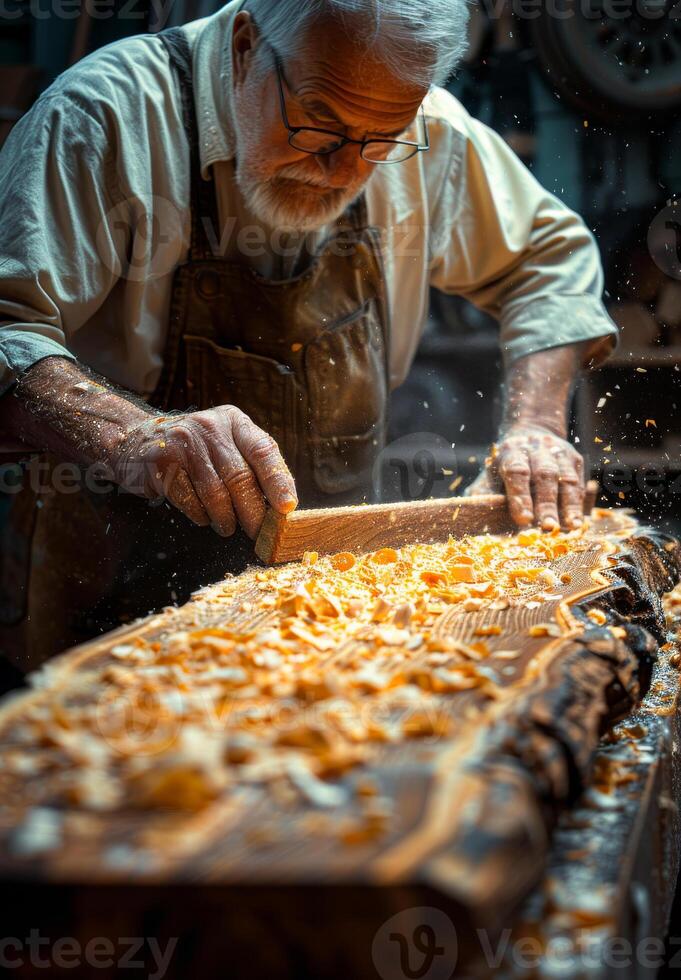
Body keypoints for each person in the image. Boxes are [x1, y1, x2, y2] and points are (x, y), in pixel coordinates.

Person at [0, 0, 617, 669]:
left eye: (378, 144)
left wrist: (536, 424)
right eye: (317, 128)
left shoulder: (425, 129)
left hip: (322, 595)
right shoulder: (104, 116)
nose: (343, 171)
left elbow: (547, 258)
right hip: (103, 573)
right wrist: (130, 435)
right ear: (245, 45)